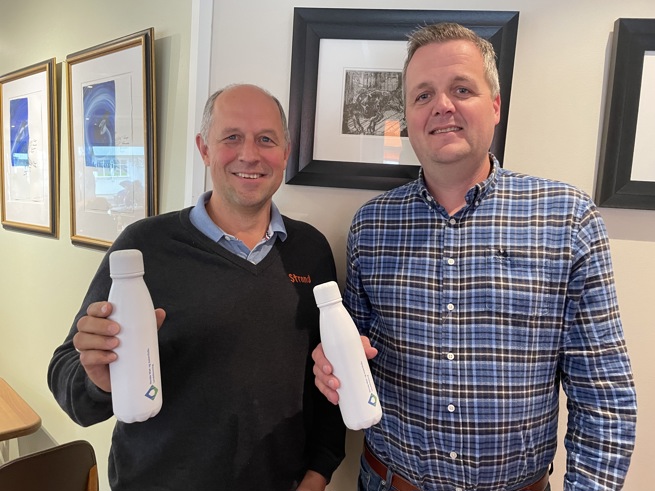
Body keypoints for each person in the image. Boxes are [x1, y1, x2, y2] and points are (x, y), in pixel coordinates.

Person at [313, 23, 637, 491]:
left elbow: (603, 394)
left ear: (495, 105)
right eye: (423, 95)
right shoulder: (372, 225)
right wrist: (333, 367)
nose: (442, 105)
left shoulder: (567, 219)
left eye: (461, 89)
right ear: (407, 115)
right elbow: (355, 353)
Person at [48, 84, 346, 491]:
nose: (250, 155)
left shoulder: (311, 250)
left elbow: (329, 373)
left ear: (285, 152)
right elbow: (67, 375)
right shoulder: (144, 247)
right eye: (232, 137)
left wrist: (320, 472)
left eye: (266, 139)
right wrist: (98, 380)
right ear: (204, 149)